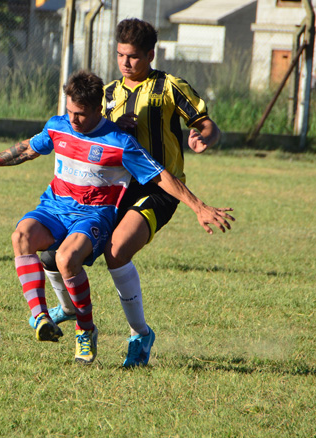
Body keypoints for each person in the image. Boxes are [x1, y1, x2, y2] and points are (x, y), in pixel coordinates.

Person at [0, 70, 233, 365]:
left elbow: (161, 176)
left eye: (82, 114)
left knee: (65, 258)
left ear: (99, 110)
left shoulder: (119, 142)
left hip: (93, 215)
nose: (74, 120)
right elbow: (26, 149)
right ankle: (40, 318)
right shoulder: (58, 127)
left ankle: (85, 330)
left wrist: (199, 206)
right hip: (54, 208)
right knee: (20, 235)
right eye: (71, 111)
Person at [36, 18, 233, 368]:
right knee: (53, 252)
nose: (126, 63)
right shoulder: (108, 94)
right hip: (114, 190)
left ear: (150, 55)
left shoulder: (170, 87)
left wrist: (204, 136)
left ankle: (140, 334)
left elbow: (206, 123)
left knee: (116, 251)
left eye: (133, 57)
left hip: (161, 190)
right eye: (120, 55)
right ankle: (67, 307)